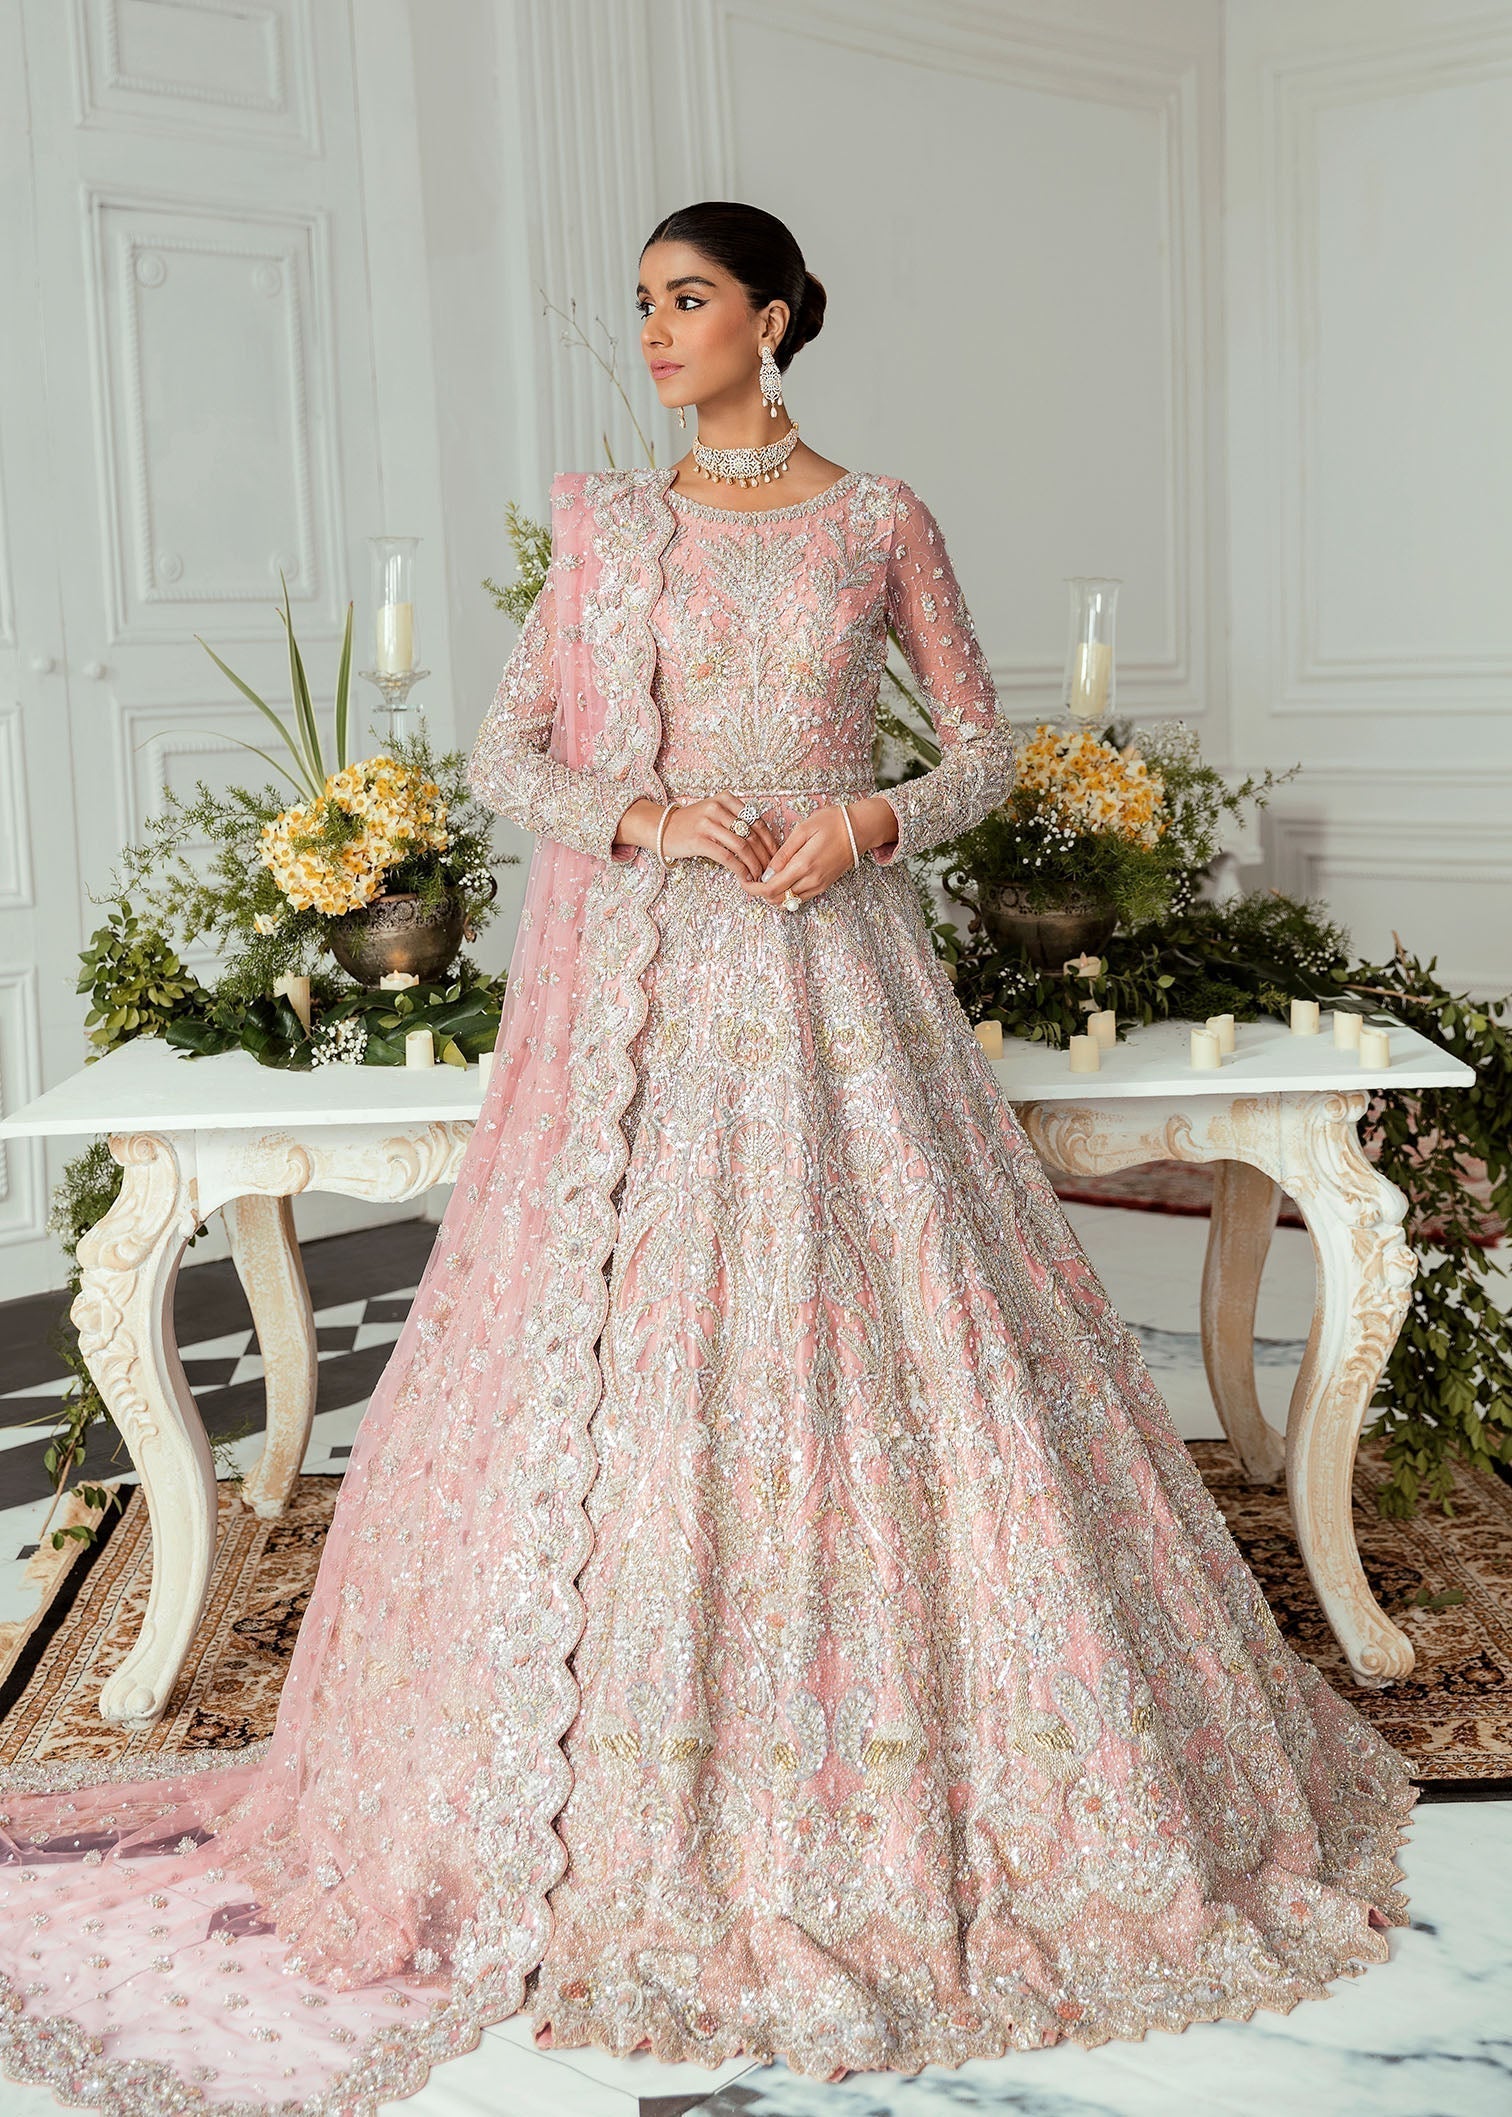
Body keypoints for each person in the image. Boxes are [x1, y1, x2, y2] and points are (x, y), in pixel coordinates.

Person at [0, 199, 1416, 2112]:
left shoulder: (877, 518)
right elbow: (509, 756)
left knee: (896, 1332)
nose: (658, 334)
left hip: (838, 979)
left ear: (776, 318)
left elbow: (983, 748)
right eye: (646, 307)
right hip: (647, 997)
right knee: (632, 1350)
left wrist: (866, 826)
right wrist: (654, 816)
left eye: (690, 302)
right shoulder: (610, 527)